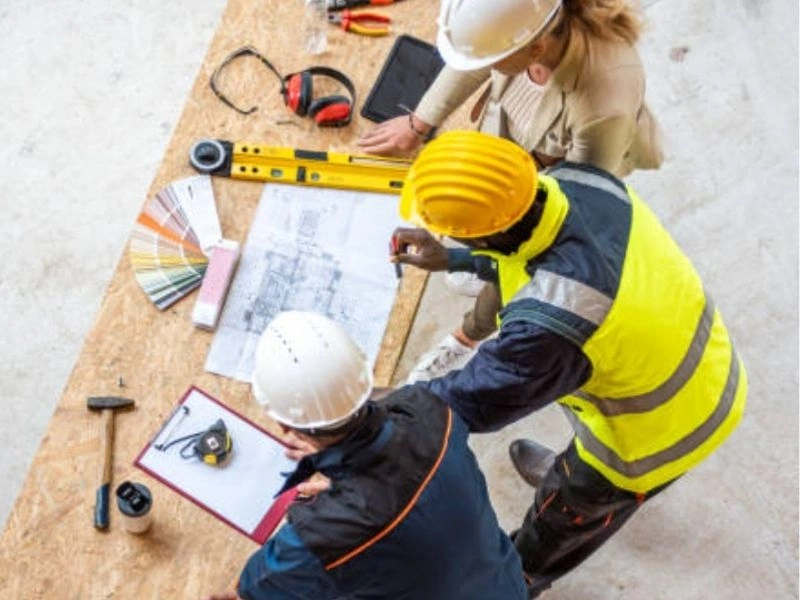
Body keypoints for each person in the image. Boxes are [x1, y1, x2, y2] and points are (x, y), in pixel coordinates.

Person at [390, 131, 747, 597]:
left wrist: (360, 413)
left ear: (483, 231)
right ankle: (570, 482)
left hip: (662, 433)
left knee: (563, 518)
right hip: (702, 359)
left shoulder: (554, 324)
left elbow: (466, 402)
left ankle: (521, 578)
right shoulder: (577, 182)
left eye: (453, 231)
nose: (445, 235)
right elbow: (523, 253)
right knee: (576, 466)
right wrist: (456, 258)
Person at [361, 0, 664, 382]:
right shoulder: (524, 27)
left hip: (560, 175)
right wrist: (418, 123)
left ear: (535, 49)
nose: (484, 66)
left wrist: (503, 250)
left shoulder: (603, 102)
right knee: (488, 230)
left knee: (519, 256)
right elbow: (475, 60)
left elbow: (558, 224)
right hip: (520, 148)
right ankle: (481, 265)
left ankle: (468, 337)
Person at [204, 310, 528, 600]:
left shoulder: (319, 540)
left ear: (284, 424)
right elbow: (403, 479)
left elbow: (253, 591)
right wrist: (345, 484)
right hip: (503, 584)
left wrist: (344, 505)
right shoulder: (429, 410)